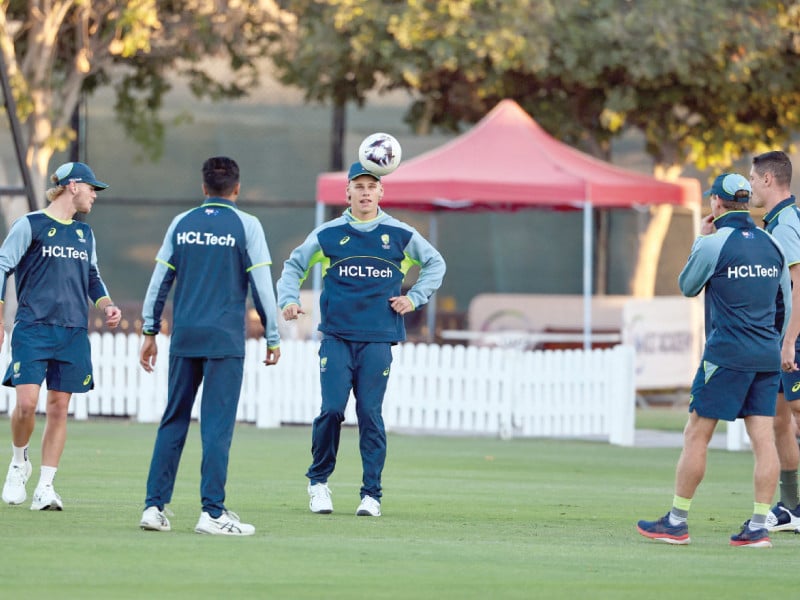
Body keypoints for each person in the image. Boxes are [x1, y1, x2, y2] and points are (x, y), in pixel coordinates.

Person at [277, 161, 445, 517]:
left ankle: (372, 495)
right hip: (337, 337)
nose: (366, 192)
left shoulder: (400, 234)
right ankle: (318, 483)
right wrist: (289, 300)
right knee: (332, 410)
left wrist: (413, 298)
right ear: (348, 192)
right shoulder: (329, 234)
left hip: (378, 339)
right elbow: (294, 266)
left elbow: (436, 264)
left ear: (382, 192)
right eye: (359, 186)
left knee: (370, 413)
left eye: (372, 186)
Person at [636, 172, 790, 548]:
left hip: (726, 355)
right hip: (766, 353)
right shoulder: (771, 243)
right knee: (763, 438)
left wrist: (700, 240)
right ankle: (757, 527)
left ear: (716, 203)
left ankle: (676, 521)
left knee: (697, 433)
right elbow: (782, 302)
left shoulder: (714, 242)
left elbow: (688, 286)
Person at [138, 156, 281, 536]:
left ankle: (154, 508)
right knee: (216, 428)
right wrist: (273, 335)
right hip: (225, 342)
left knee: (173, 420)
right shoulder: (247, 225)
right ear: (237, 189)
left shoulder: (181, 223)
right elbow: (262, 288)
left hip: (185, 338)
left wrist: (149, 332)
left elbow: (158, 284)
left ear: (203, 188)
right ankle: (212, 513)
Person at [0, 161, 122, 510]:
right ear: (73, 186)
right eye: (91, 188)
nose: (94, 195)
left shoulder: (85, 234)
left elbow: (91, 277)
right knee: (25, 405)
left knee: (59, 407)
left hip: (72, 332)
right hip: (33, 328)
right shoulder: (31, 224)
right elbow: (2, 264)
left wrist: (107, 304)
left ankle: (46, 487)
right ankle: (18, 462)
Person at [750, 150, 800, 532]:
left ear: (768, 179)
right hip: (781, 338)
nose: (750, 185)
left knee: (795, 416)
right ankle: (790, 507)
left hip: (793, 340)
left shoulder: (786, 225)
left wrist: (789, 342)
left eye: (752, 179)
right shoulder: (775, 222)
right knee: (782, 419)